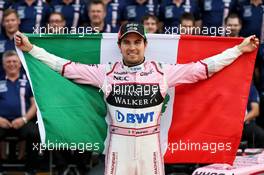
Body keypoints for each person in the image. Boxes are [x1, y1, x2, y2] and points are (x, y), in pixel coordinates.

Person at [15, 22, 259, 175]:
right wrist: (31, 49)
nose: (132, 47)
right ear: (120, 46)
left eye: (137, 42)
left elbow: (204, 68)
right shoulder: (105, 73)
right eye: (127, 43)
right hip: (117, 149)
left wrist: (239, 50)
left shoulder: (163, 71)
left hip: (150, 149)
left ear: (145, 44)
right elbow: (64, 67)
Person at [0, 50, 39, 174]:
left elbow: (35, 105)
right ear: (3, 65)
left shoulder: (28, 81)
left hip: (24, 121)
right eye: (8, 62)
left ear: (20, 64)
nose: (12, 64)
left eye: (14, 61)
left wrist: (24, 119)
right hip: (1, 122)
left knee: (35, 134)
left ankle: (31, 168)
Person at [0, 9, 20, 78]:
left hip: (23, 81)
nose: (10, 23)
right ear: (3, 23)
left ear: (18, 21)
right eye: (7, 21)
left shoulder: (25, 39)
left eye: (12, 20)